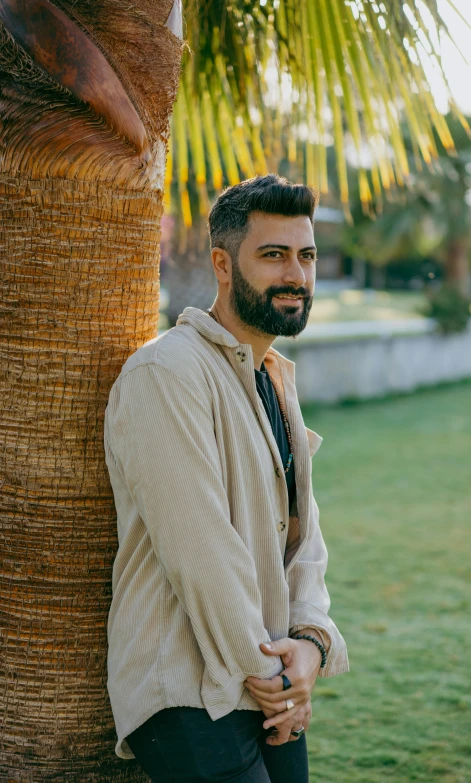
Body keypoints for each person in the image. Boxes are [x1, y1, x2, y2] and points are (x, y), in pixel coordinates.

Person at [103, 174, 349, 782]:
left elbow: (302, 539)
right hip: (187, 690)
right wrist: (274, 677)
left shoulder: (273, 377)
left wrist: (311, 645)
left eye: (306, 255)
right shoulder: (167, 373)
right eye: (273, 255)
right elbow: (200, 547)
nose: (296, 274)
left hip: (266, 678)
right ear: (222, 262)